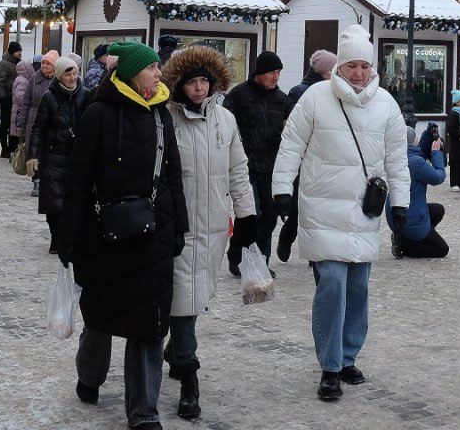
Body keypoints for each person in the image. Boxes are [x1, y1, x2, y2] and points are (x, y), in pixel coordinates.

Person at [271, 23, 410, 402]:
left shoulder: (387, 105)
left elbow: (398, 160)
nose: (359, 74)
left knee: (359, 287)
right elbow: (291, 146)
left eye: (365, 66)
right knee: (332, 283)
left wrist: (401, 202)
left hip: (365, 211)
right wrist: (282, 189)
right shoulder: (315, 97)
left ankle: (348, 355)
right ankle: (330, 366)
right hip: (321, 207)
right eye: (352, 66)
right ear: (341, 66)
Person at [57, 41, 188, 429]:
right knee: (100, 315)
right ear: (132, 73)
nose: (159, 73)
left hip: (155, 232)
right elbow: (79, 179)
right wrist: (69, 236)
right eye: (152, 68)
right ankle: (90, 376)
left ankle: (144, 411)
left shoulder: (161, 115)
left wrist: (178, 225)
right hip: (104, 233)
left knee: (149, 322)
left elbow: (173, 176)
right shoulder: (97, 114)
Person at [160, 45, 258, 421]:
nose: (199, 89)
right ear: (179, 84)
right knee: (184, 296)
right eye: (192, 82)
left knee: (195, 296)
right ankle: (189, 376)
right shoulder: (166, 118)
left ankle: (176, 350)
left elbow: (238, 171)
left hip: (215, 226)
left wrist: (247, 217)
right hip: (178, 228)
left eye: (205, 81)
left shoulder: (225, 121)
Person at [224, 50, 293, 274]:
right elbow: (224, 126)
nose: (276, 77)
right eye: (272, 72)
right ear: (259, 73)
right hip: (244, 166)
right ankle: (244, 259)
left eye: (278, 72)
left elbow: (293, 130)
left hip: (271, 167)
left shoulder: (282, 100)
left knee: (270, 217)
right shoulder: (239, 95)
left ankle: (259, 259)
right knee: (252, 215)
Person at [27, 55, 92, 253]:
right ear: (59, 76)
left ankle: (70, 238)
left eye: (74, 73)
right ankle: (56, 238)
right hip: (54, 154)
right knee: (54, 202)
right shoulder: (50, 96)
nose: (72, 78)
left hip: (78, 155)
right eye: (68, 74)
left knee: (75, 199)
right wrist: (32, 155)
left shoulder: (86, 95)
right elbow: (38, 128)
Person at [277, 49, 337, 263]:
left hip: (324, 156)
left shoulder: (332, 91)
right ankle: (287, 236)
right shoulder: (300, 92)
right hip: (304, 156)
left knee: (319, 206)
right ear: (326, 71)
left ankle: (314, 252)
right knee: (299, 204)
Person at [386, 126, 448, 258]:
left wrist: (429, 132)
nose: (418, 139)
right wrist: (436, 152)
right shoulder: (415, 163)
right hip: (409, 219)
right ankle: (405, 244)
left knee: (438, 210)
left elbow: (419, 152)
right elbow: (438, 177)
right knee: (442, 249)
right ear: (411, 141)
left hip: (396, 215)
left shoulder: (397, 156)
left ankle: (407, 237)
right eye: (416, 138)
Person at [21, 51, 58, 196]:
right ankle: (36, 181)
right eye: (43, 63)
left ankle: (47, 180)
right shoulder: (34, 79)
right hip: (34, 117)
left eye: (48, 63)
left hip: (52, 119)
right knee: (35, 149)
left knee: (48, 150)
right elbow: (26, 101)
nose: (44, 66)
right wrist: (21, 123)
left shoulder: (58, 80)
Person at [0, 41, 22, 158]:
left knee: (14, 124)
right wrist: (3, 98)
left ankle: (12, 147)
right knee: (5, 123)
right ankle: (4, 148)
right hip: (7, 98)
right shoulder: (3, 64)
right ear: (12, 52)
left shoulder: (18, 64)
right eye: (17, 51)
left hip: (16, 99)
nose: (20, 53)